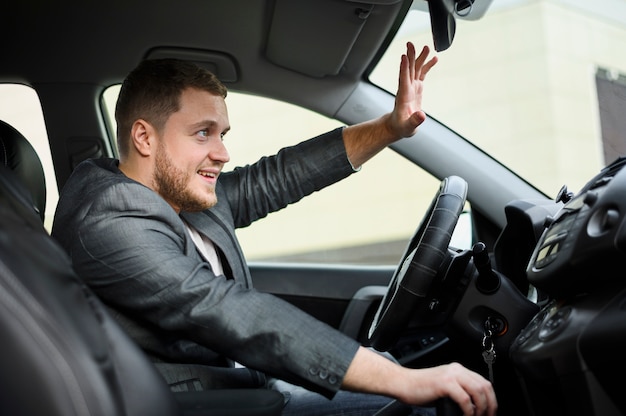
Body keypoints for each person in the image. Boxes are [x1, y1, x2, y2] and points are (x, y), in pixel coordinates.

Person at [52, 42, 497, 416]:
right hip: (199, 401)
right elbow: (225, 309)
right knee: (417, 402)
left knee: (388, 371)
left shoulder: (171, 191)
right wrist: (402, 381)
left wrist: (390, 127)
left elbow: (277, 177)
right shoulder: (109, 220)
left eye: (222, 133)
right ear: (145, 138)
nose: (223, 152)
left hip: (240, 380)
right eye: (203, 133)